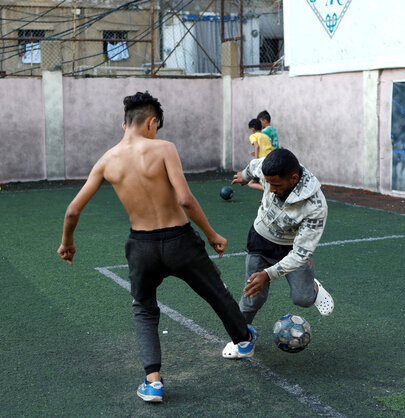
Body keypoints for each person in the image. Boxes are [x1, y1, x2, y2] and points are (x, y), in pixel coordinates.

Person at [57, 91, 256, 403]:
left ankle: (153, 382)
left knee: (144, 308)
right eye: (156, 127)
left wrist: (67, 243)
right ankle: (243, 340)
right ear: (152, 122)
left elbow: (72, 210)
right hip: (180, 241)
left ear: (124, 123)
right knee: (215, 291)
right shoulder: (163, 148)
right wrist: (212, 233)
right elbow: (185, 199)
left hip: (141, 246)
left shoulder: (107, 161)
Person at [225, 148, 332, 358]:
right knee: (252, 297)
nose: (270, 189)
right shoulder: (268, 167)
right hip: (260, 239)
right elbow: (254, 166)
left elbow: (301, 253)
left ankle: (314, 288)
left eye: (276, 185)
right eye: (268, 183)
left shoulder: (316, 206)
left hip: (291, 249)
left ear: (293, 178)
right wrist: (244, 176)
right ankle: (241, 338)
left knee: (303, 298)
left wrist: (268, 274)